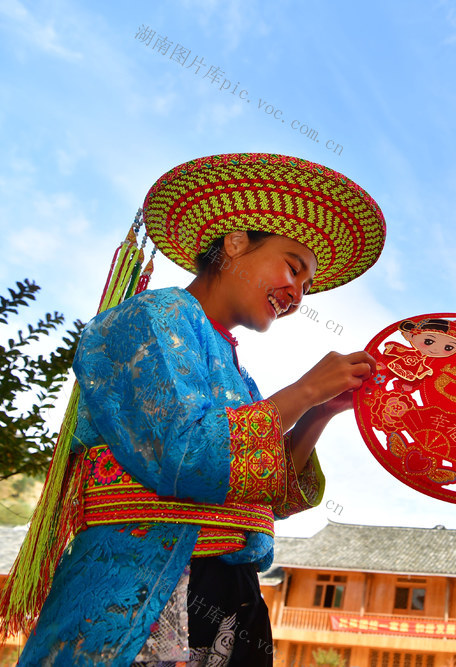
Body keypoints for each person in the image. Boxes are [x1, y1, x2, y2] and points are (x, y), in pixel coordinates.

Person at [10, 153, 386, 666]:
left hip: (233, 593)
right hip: (153, 579)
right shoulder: (150, 318)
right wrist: (301, 391)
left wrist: (319, 411)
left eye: (306, 286)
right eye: (293, 268)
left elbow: (272, 496)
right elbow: (189, 456)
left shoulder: (239, 371)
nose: (297, 295)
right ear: (235, 244)